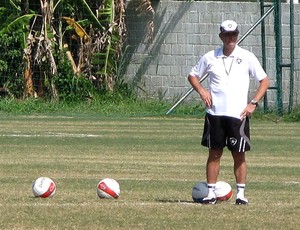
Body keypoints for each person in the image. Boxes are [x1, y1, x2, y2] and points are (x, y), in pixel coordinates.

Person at [188, 20, 270, 205]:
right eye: (226, 34)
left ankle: (240, 195)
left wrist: (253, 103)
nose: (230, 38)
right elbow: (192, 75)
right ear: (221, 36)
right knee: (214, 153)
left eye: (233, 34)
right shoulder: (210, 57)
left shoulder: (247, 56)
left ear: (237, 35)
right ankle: (210, 193)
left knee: (239, 155)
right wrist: (202, 91)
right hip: (215, 114)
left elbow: (264, 81)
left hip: (238, 115)